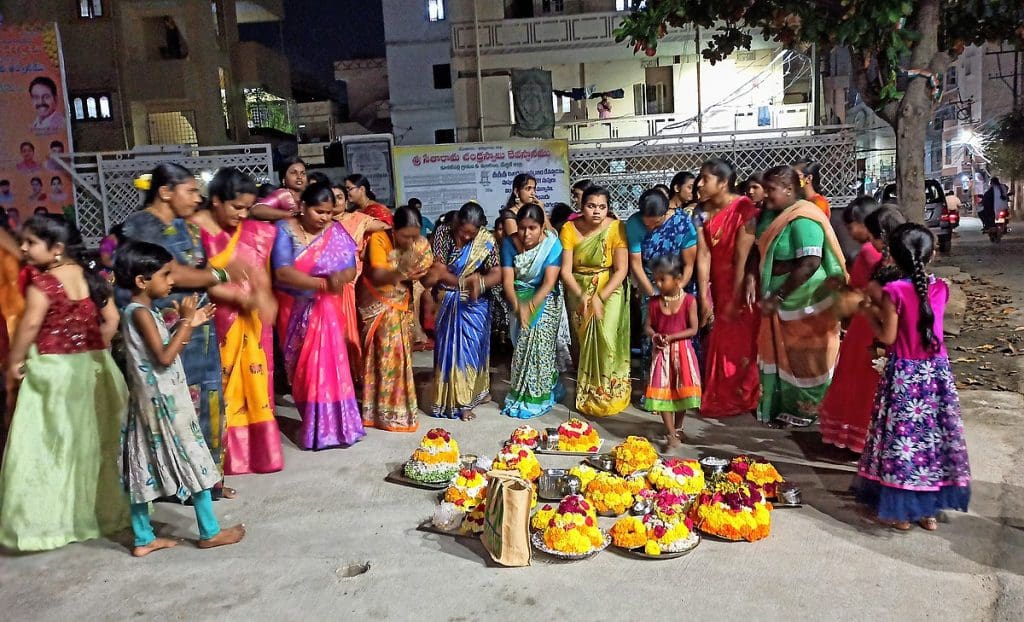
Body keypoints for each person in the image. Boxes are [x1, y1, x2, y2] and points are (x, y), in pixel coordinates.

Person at [0, 215, 126, 551]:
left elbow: (28, 328)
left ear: (56, 249)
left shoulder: (44, 284)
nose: (23, 248)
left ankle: (51, 525)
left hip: (53, 374)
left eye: (30, 242)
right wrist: (92, 348)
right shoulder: (94, 278)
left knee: (48, 448)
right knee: (92, 444)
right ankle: (98, 516)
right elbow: (112, 319)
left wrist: (13, 363)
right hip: (95, 369)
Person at [115, 242, 246, 555]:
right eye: (165, 274)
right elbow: (164, 357)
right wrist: (187, 321)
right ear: (141, 281)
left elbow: (158, 349)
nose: (172, 281)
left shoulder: (139, 311)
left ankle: (143, 538)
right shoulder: (142, 314)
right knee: (194, 457)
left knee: (142, 463)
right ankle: (209, 532)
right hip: (165, 403)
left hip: (150, 401)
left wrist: (189, 322)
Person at [121, 163, 232, 498]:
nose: (197, 198)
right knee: (175, 408)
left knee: (209, 399)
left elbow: (195, 270)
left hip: (199, 330)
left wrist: (209, 276)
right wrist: (217, 276)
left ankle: (210, 480)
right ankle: (180, 485)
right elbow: (178, 274)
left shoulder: (188, 227)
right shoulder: (139, 227)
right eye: (190, 190)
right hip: (164, 333)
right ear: (165, 192)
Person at [854, 223, 971, 531]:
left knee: (903, 441)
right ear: (931, 255)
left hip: (905, 375)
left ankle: (900, 512)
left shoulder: (895, 291)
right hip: (935, 375)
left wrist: (868, 314)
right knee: (931, 440)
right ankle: (927, 512)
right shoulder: (942, 288)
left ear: (893, 255)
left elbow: (890, 337)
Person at [192, 168, 283, 474]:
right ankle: (225, 456)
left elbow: (259, 274)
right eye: (237, 207)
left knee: (256, 385)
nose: (243, 215)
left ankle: (257, 455)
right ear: (216, 200)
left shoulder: (257, 232)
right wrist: (242, 299)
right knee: (221, 386)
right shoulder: (196, 230)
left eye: (247, 208)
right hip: (217, 320)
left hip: (253, 323)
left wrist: (264, 298)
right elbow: (199, 280)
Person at [753, 165, 847, 427]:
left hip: (806, 303)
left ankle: (810, 412)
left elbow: (810, 263)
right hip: (785, 304)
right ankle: (785, 408)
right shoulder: (776, 216)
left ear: (789, 189)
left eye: (771, 190)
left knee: (808, 361)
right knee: (787, 358)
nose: (766, 195)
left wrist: (779, 296)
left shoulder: (804, 217)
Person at [271, 183, 363, 450]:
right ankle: (314, 427)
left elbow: (350, 268)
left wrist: (338, 278)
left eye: (328, 213)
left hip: (327, 311)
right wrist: (321, 284)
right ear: (302, 207)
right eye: (318, 211)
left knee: (330, 365)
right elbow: (282, 272)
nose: (324, 218)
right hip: (294, 308)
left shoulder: (335, 232)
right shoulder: (285, 230)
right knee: (304, 371)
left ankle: (336, 427)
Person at [359, 206, 435, 432]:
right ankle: (379, 411)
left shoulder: (420, 244)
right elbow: (378, 274)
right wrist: (403, 270)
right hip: (377, 304)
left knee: (400, 356)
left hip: (402, 304)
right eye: (406, 236)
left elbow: (428, 269)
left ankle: (399, 409)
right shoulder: (379, 240)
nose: (412, 241)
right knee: (383, 356)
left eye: (416, 235)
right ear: (394, 229)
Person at [695, 158, 761, 418]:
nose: (699, 184)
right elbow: (703, 254)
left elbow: (742, 258)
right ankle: (721, 393)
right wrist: (703, 295)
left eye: (705, 179)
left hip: (742, 281)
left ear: (723, 184)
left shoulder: (744, 208)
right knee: (720, 338)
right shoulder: (699, 212)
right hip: (718, 282)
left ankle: (745, 395)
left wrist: (735, 296)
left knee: (742, 341)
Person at [818, 197, 883, 454]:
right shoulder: (884, 251)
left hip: (864, 324)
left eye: (852, 225)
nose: (849, 232)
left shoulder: (867, 252)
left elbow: (855, 290)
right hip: (877, 321)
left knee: (856, 379)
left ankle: (851, 435)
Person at [560, 185, 631, 416]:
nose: (597, 212)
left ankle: (610, 394)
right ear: (581, 207)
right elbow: (566, 271)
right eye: (591, 206)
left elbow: (621, 270)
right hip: (578, 288)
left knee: (606, 337)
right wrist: (583, 298)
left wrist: (599, 297)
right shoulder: (569, 229)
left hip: (609, 288)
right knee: (582, 341)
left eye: (602, 207)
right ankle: (590, 391)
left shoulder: (617, 228)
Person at [431, 202, 501, 421]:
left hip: (475, 304)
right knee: (452, 353)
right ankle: (461, 403)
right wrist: (463, 283)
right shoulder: (443, 232)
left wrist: (479, 285)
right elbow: (438, 269)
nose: (467, 238)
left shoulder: (486, 240)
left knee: (472, 351)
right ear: (456, 224)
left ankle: (476, 393)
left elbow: (497, 272)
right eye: (463, 233)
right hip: (449, 298)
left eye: (472, 234)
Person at [500, 204, 565, 419]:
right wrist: (520, 309)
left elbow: (548, 283)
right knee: (522, 348)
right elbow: (508, 282)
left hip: (546, 299)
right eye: (522, 228)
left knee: (540, 348)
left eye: (532, 228)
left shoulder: (552, 245)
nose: (526, 234)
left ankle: (540, 394)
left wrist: (531, 308)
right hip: (518, 296)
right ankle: (522, 391)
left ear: (542, 228)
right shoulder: (509, 243)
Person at [629, 188, 698, 381]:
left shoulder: (683, 223)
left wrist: (677, 292)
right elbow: (636, 263)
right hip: (649, 284)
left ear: (666, 213)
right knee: (651, 334)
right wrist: (653, 296)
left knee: (678, 334)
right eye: (646, 224)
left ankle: (682, 383)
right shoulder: (634, 224)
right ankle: (652, 384)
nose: (650, 228)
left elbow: (689, 264)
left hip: (678, 284)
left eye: (656, 223)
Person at [643, 254, 701, 449]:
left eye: (663, 279)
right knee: (664, 393)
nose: (658, 284)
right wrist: (655, 336)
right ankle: (670, 432)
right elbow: (648, 327)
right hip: (662, 354)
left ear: (677, 279)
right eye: (656, 279)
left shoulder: (689, 301)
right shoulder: (653, 303)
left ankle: (678, 427)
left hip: (683, 353)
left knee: (681, 392)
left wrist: (673, 337)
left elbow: (694, 329)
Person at [331, 184, 389, 369]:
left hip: (355, 281)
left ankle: (357, 370)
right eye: (331, 197)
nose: (335, 202)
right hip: (330, 282)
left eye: (339, 197)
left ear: (346, 200)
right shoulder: (321, 222)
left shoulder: (358, 219)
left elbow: (387, 227)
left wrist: (371, 248)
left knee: (354, 328)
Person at [250, 157, 306, 222]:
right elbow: (256, 210)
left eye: (303, 173)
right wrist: (293, 215)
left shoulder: (309, 195)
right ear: (283, 178)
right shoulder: (283, 195)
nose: (299, 177)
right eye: (293, 173)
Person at [501, 173, 543, 238]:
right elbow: (518, 242)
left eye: (534, 189)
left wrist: (542, 210)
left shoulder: (535, 211)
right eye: (528, 189)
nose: (533, 193)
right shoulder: (509, 215)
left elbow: (552, 235)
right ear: (517, 191)